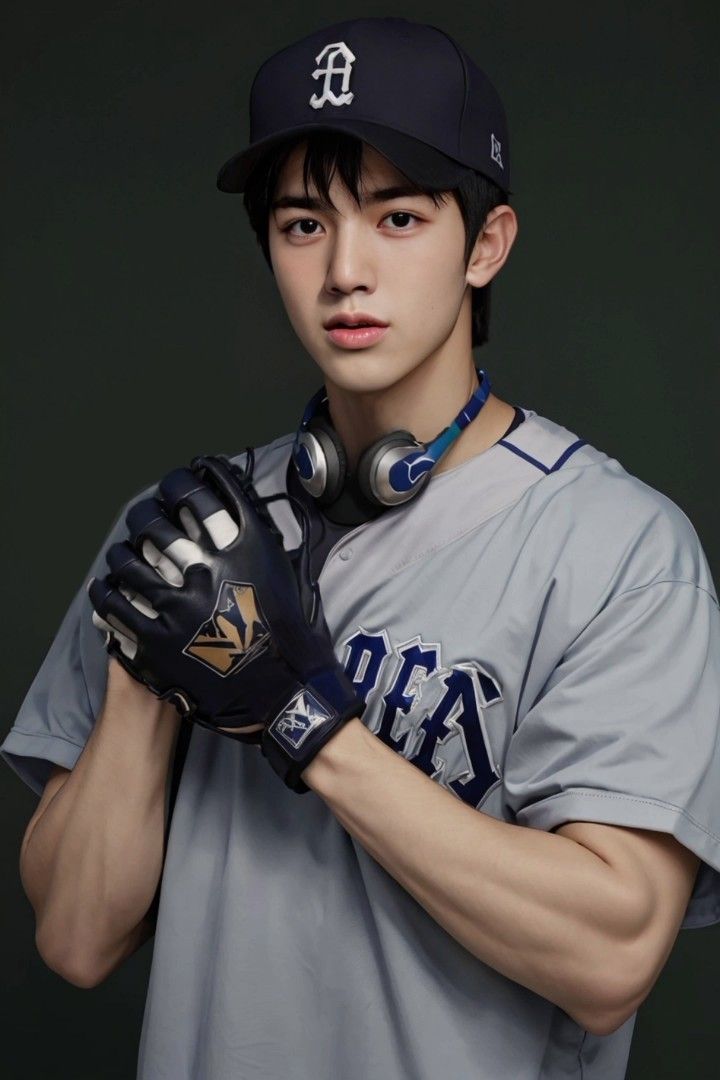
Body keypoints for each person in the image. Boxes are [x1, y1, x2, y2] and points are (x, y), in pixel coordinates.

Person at [3, 15, 719, 1080]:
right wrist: (148, 675)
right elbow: (73, 938)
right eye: (302, 224)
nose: (346, 270)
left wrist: (302, 719)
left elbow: (610, 952)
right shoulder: (190, 528)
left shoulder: (617, 548)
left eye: (398, 217)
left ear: (486, 243)